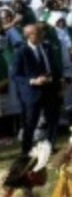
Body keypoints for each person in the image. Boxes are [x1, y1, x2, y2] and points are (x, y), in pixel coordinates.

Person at [10, 23, 63, 152]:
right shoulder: (21, 52)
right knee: (30, 123)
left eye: (41, 32)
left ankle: (50, 145)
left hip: (50, 89)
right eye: (37, 33)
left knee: (53, 119)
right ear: (28, 36)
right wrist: (33, 81)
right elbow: (15, 75)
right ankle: (26, 150)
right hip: (32, 92)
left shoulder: (47, 47)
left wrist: (60, 80)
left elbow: (54, 66)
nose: (41, 35)